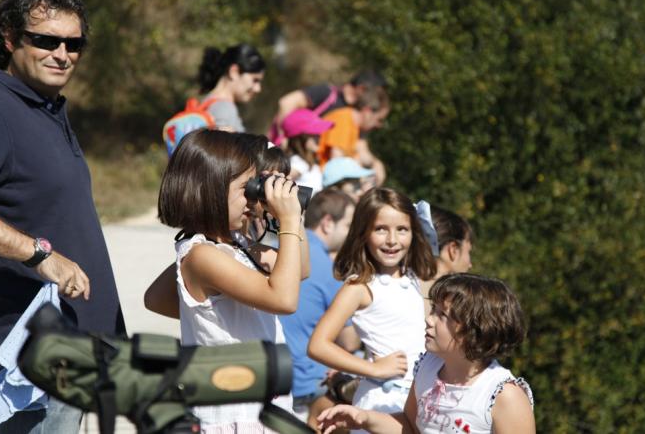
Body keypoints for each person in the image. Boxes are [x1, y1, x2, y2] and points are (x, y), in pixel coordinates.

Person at [0, 0, 125, 432]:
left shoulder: (42, 106)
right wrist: (40, 255)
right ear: (9, 39)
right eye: (45, 40)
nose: (63, 54)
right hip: (32, 364)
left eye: (73, 43)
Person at [155, 130, 306, 431]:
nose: (253, 199)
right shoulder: (202, 256)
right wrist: (287, 221)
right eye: (245, 188)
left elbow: (298, 270)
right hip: (233, 414)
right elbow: (284, 300)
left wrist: (289, 218)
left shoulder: (236, 245)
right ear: (209, 189)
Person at [316, 273, 536, 434]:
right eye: (433, 310)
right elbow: (410, 427)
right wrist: (363, 418)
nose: (428, 320)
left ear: (475, 330)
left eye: (442, 315)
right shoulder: (428, 367)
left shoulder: (503, 395)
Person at [308, 188, 437, 423]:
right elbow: (318, 345)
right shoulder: (359, 287)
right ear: (364, 233)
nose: (392, 240)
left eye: (402, 230)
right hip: (382, 402)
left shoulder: (416, 279)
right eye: (380, 229)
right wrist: (373, 369)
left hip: (418, 400)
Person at [279, 189, 356, 427]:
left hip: (278, 374)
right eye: (348, 225)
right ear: (327, 223)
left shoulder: (279, 249)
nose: (351, 233)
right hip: (309, 383)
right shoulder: (326, 268)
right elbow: (350, 342)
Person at [317, 86, 389, 183]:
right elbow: (337, 160)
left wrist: (376, 164)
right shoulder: (343, 120)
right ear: (367, 111)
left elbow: (363, 154)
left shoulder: (355, 127)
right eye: (379, 119)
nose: (378, 125)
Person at [196, 43, 266, 132]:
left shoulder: (207, 102)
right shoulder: (224, 108)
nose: (258, 89)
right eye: (255, 80)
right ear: (234, 72)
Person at [282, 109, 335, 194]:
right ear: (301, 138)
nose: (319, 138)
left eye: (319, 135)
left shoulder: (307, 162)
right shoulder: (299, 163)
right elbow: (280, 182)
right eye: (314, 135)